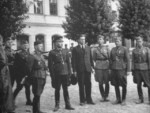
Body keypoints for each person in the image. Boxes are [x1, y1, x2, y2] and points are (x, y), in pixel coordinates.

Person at [48, 34, 74, 112]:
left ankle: (67, 104)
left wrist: (70, 72)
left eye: (61, 41)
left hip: (65, 72)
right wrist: (52, 76)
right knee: (57, 89)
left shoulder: (65, 51)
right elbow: (50, 65)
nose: (61, 43)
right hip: (57, 73)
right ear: (55, 43)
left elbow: (68, 62)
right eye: (59, 42)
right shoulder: (52, 52)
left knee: (66, 89)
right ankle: (57, 104)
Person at [72, 34, 95, 106]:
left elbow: (90, 58)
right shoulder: (75, 49)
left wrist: (92, 67)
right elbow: (73, 60)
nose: (83, 40)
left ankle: (89, 99)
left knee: (88, 84)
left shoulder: (88, 48)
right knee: (81, 85)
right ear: (78, 40)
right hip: (80, 70)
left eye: (84, 39)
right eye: (81, 39)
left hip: (87, 69)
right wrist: (74, 70)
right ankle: (82, 100)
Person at [110, 35, 130, 106]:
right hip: (114, 69)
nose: (116, 42)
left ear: (121, 41)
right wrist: (110, 69)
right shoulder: (112, 49)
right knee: (116, 84)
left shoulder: (124, 49)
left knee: (123, 84)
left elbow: (127, 59)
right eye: (115, 41)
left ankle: (123, 99)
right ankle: (118, 99)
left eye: (118, 41)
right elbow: (111, 60)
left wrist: (128, 70)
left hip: (122, 69)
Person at [29, 40, 47, 113]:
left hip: (42, 76)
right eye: (40, 46)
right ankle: (35, 110)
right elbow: (29, 68)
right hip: (36, 76)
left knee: (39, 93)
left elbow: (44, 65)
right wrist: (31, 78)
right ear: (36, 47)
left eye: (42, 46)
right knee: (37, 94)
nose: (42, 47)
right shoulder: (32, 56)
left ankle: (37, 110)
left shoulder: (41, 55)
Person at [132, 35, 150, 104]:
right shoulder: (134, 50)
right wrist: (133, 70)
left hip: (145, 69)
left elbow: (149, 60)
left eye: (140, 41)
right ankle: (140, 99)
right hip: (137, 69)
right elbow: (133, 61)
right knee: (138, 85)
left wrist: (149, 69)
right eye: (137, 41)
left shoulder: (147, 49)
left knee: (148, 85)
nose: (138, 43)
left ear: (142, 42)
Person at [13, 40, 32, 105]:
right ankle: (12, 100)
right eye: (24, 45)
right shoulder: (18, 54)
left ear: (28, 46)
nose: (25, 46)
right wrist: (18, 75)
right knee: (19, 87)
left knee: (28, 87)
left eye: (27, 45)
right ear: (21, 46)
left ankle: (28, 101)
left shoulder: (29, 54)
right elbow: (15, 66)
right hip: (20, 75)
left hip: (27, 74)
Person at [0, 34, 15, 113]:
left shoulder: (3, 49)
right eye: (8, 41)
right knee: (4, 90)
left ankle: (7, 107)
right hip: (3, 72)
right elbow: (3, 61)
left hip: (6, 72)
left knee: (7, 90)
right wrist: (7, 64)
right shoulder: (2, 49)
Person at [93, 35, 110, 102]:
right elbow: (94, 58)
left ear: (103, 40)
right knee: (100, 82)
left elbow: (109, 57)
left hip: (106, 65)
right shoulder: (95, 49)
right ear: (97, 40)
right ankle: (103, 96)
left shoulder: (107, 48)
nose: (100, 40)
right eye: (99, 39)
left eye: (101, 39)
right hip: (99, 66)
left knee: (107, 81)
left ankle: (106, 95)